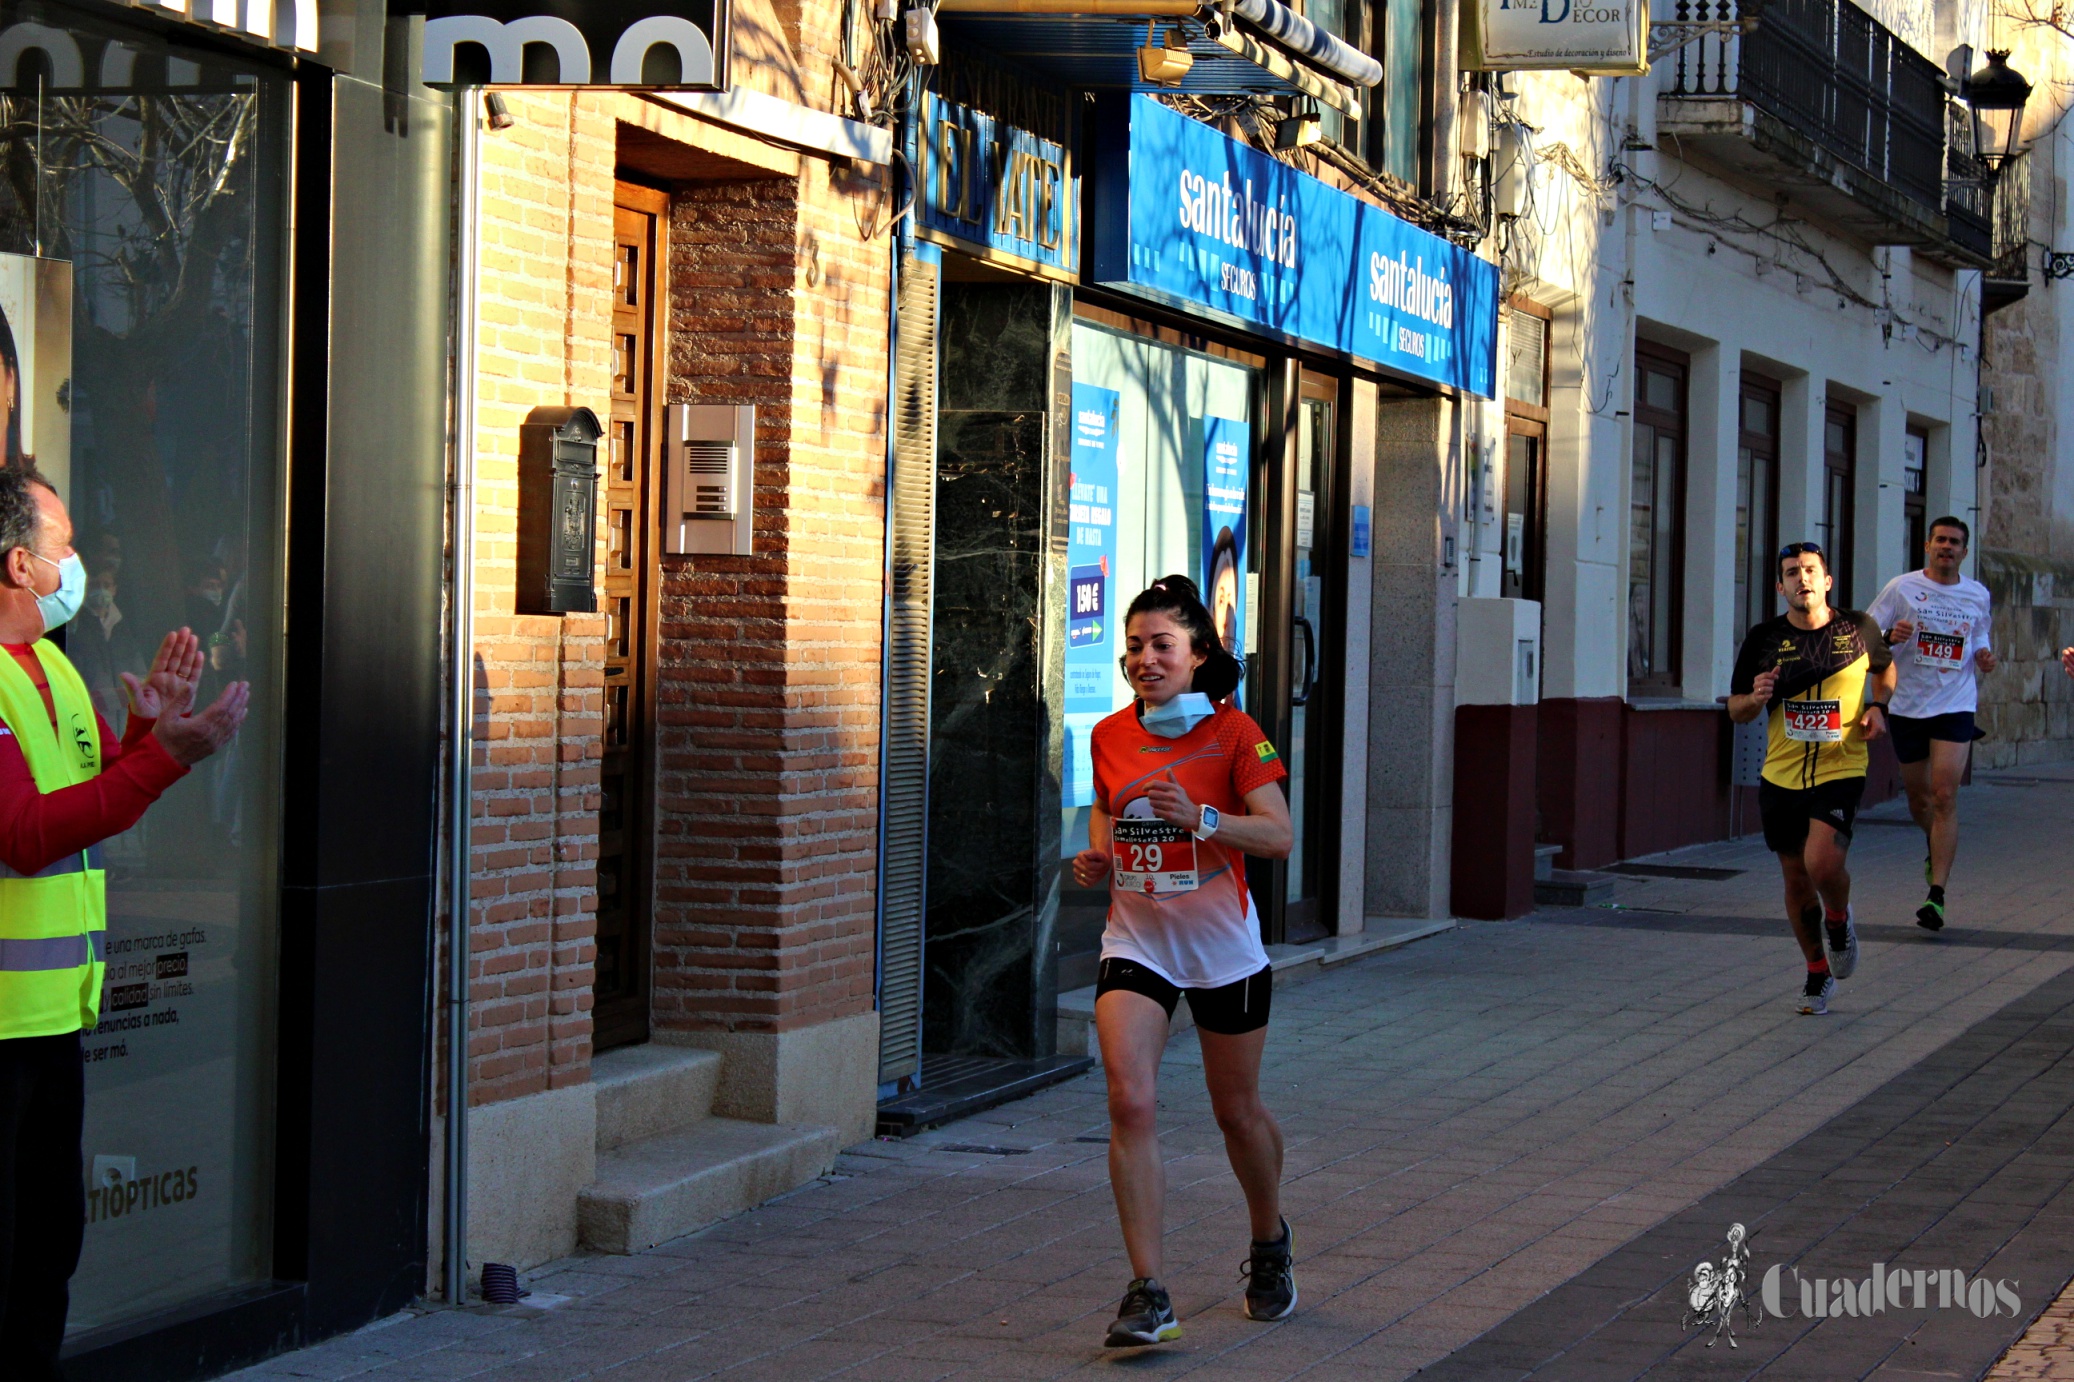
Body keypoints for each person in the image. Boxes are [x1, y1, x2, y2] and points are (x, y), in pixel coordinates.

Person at [0, 465, 248, 1377]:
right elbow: (24, 835)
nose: (80, 567)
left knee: (47, 1248)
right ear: (21, 565)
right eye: (64, 548)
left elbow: (99, 797)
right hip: (1, 1030)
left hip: (53, 1017)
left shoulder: (54, 668)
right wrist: (162, 762)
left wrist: (148, 733)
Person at [1070, 575, 1295, 1348]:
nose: (1145, 658)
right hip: (1137, 941)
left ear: (1198, 654)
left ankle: (1269, 1242)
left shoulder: (1237, 735)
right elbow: (1108, 809)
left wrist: (1201, 817)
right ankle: (1147, 1292)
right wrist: (1098, 855)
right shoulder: (1108, 734)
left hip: (1222, 948)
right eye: (1134, 646)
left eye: (1162, 644)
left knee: (1236, 1112)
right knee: (1130, 1102)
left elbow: (1278, 836)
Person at [1728, 543, 1895, 1016]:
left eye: (1809, 571)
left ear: (1827, 581)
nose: (1801, 579)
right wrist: (1755, 698)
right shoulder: (1763, 638)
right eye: (1790, 573)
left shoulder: (1858, 628)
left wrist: (1878, 708)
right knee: (1796, 877)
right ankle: (1817, 973)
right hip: (1780, 774)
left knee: (1822, 863)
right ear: (1779, 587)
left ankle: (1839, 922)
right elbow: (1736, 710)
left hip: (1841, 765)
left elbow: (1886, 670)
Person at [1866, 517, 1996, 931]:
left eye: (1955, 542)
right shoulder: (1901, 587)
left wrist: (1984, 656)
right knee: (1920, 801)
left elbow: (1979, 637)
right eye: (1940, 540)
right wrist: (1890, 634)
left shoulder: (1977, 594)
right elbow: (1865, 636)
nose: (1947, 547)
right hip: (1907, 705)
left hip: (1955, 703)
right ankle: (1934, 843)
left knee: (1944, 793)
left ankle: (1936, 895)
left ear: (1964, 551)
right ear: (1927, 545)